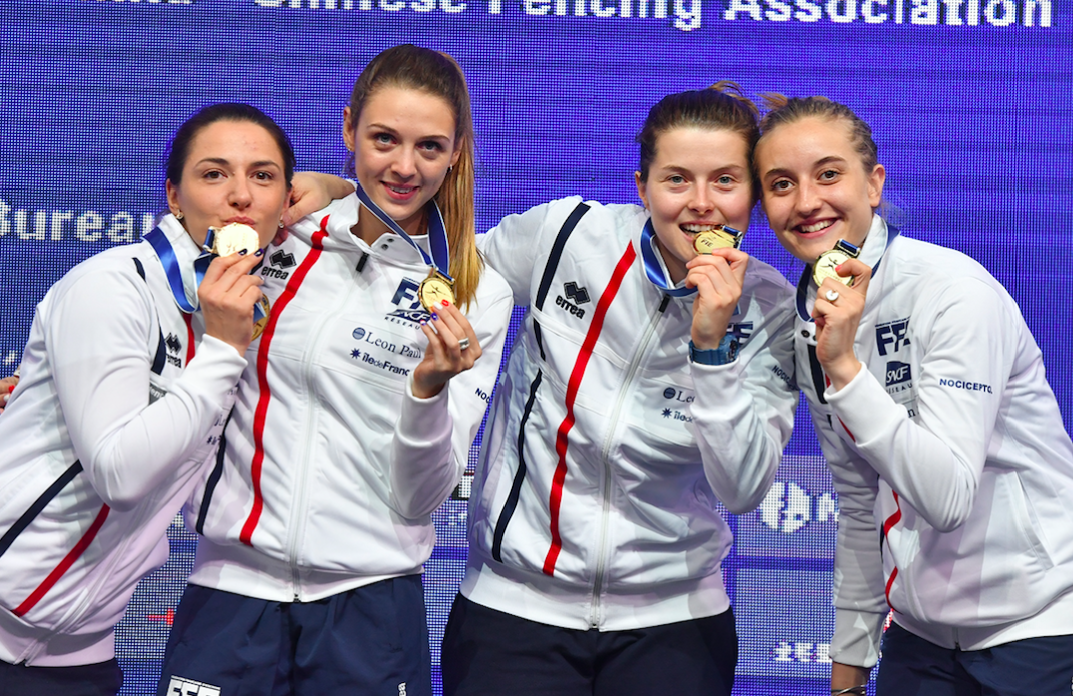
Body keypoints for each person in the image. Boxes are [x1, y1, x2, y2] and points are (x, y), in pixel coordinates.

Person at [157, 45, 512, 696]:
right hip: (229, 592)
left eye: (429, 147)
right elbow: (159, 299)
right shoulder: (276, 230)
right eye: (382, 139)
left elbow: (421, 497)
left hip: (370, 607)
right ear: (349, 129)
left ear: (456, 152)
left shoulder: (472, 290)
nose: (404, 166)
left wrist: (428, 392)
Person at [439, 84, 798, 696]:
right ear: (643, 186)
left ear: (754, 197)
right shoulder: (568, 235)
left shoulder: (771, 311)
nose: (702, 205)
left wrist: (711, 349)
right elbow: (439, 268)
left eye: (726, 182)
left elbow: (742, 489)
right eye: (678, 179)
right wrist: (341, 201)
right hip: (513, 609)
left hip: (675, 625)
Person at [753, 95, 1073, 696]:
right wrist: (848, 673)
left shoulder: (952, 292)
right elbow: (857, 503)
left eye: (828, 174)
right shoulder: (809, 319)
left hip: (1042, 630)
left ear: (873, 184)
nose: (807, 201)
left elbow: (947, 495)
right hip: (919, 641)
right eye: (780, 184)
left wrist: (845, 368)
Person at [0, 102, 292, 695]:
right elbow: (119, 474)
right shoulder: (114, 286)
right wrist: (224, 352)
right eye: (213, 174)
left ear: (286, 204)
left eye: (262, 177)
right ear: (174, 197)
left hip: (84, 654)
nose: (240, 196)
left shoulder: (241, 309)